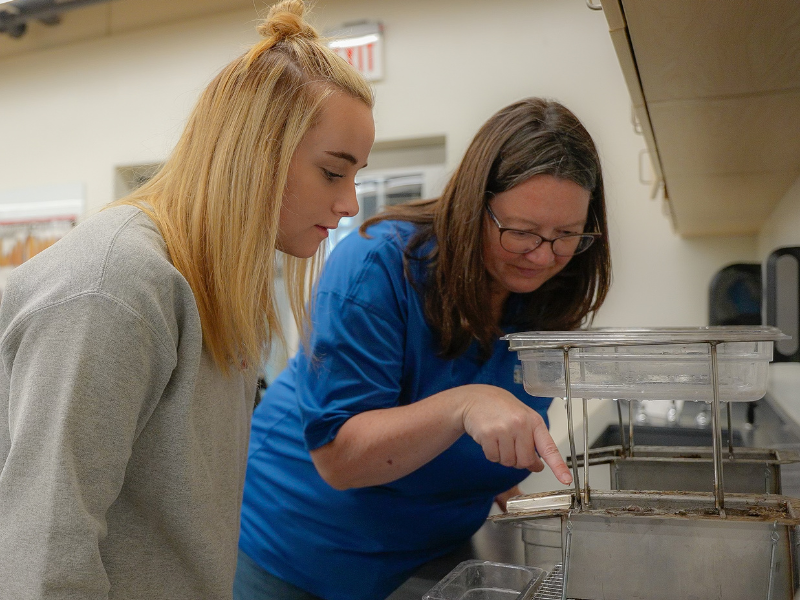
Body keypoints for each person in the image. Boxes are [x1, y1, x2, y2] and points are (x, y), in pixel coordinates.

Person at [0, 2, 374, 599]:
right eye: (333, 173)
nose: (351, 203)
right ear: (257, 154)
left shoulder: (218, 284)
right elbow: (43, 560)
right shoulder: (115, 288)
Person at [235, 97, 612, 600]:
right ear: (474, 204)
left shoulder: (547, 297)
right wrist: (467, 404)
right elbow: (341, 458)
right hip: (297, 549)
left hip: (430, 556)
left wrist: (504, 485)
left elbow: (480, 430)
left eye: (566, 235)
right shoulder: (378, 265)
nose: (542, 255)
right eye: (520, 231)